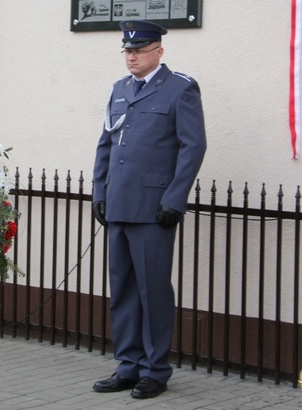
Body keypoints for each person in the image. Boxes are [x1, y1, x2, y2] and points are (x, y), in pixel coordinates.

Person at [92, 20, 207, 399]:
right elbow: (107, 144)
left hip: (154, 209)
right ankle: (128, 364)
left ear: (158, 51)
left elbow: (193, 147)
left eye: (138, 50)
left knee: (152, 290)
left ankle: (155, 369)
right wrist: (100, 191)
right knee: (122, 289)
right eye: (127, 50)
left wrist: (175, 198)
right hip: (121, 204)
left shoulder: (179, 89)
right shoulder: (120, 89)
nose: (131, 57)